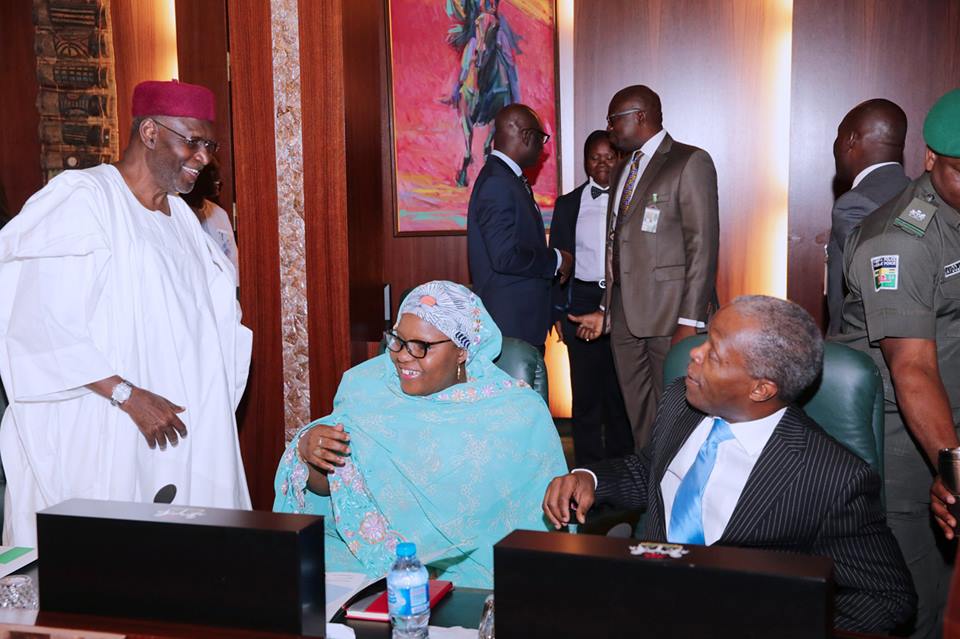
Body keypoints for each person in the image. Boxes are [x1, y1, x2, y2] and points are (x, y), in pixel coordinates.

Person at [544, 296, 916, 634]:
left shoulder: (833, 478)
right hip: (644, 605)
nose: (693, 353)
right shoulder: (680, 403)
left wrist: (783, 623)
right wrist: (591, 478)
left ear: (760, 389)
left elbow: (887, 597)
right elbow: (651, 471)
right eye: (705, 339)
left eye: (715, 354)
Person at [0, 80, 253, 545]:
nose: (203, 157)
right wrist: (127, 395)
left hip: (179, 435)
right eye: (193, 142)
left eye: (210, 146)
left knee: (187, 563)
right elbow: (39, 322)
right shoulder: (84, 198)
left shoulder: (184, 220)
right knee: (107, 560)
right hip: (108, 425)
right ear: (151, 132)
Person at [274, 280, 567, 588]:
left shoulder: (516, 413)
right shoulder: (366, 387)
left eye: (421, 346)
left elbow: (537, 525)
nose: (403, 356)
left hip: (471, 576)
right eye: (398, 341)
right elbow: (329, 489)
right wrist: (310, 452)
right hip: (364, 562)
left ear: (461, 350)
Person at [840, 88, 960, 639]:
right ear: (930, 158)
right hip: (902, 438)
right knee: (913, 601)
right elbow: (912, 369)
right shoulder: (900, 240)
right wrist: (952, 468)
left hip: (946, 421)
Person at [569, 85, 719, 453]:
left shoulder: (689, 161)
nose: (609, 128)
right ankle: (647, 484)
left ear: (640, 116)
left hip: (670, 318)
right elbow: (616, 244)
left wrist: (690, 321)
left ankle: (679, 484)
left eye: (613, 120)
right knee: (640, 419)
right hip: (624, 319)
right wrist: (607, 310)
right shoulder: (623, 168)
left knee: (678, 414)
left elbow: (701, 246)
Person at [549, 130, 631, 465]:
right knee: (584, 395)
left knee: (619, 395)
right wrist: (558, 309)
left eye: (609, 157)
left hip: (622, 300)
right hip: (580, 300)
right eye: (595, 158)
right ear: (585, 162)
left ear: (619, 159)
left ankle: (622, 470)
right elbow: (559, 260)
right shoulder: (568, 204)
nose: (602, 164)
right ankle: (588, 472)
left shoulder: (631, 201)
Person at [467, 104, 572, 351]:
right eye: (541, 138)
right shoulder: (498, 182)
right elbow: (505, 257)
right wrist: (557, 259)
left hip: (520, 322)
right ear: (526, 136)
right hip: (510, 325)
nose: (542, 148)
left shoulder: (507, 178)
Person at [826, 99, 910, 335]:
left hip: (863, 348)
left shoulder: (855, 205)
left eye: (838, 136)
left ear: (850, 140)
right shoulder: (920, 197)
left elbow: (876, 295)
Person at [181, 160, 239, 284]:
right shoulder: (178, 211)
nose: (218, 180)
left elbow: (233, 260)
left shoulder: (220, 214)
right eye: (211, 173)